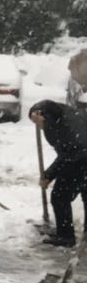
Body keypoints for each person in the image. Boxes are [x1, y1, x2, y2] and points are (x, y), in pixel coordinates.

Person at [30, 100, 87, 247]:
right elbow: (65, 153)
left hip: (81, 160)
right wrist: (37, 112)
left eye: (37, 122)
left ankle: (66, 237)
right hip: (78, 157)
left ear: (46, 117)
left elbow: (67, 155)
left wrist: (49, 175)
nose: (37, 126)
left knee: (60, 196)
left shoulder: (68, 129)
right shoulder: (58, 116)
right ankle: (73, 236)